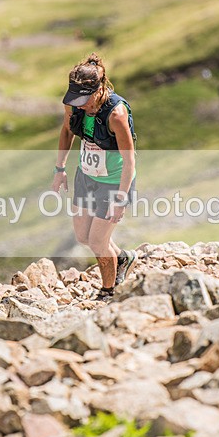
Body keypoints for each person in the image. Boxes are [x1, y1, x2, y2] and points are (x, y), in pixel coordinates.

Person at [52, 53, 138, 298]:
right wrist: (60, 169)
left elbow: (130, 159)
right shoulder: (74, 104)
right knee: (83, 237)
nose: (79, 105)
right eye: (75, 99)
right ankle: (122, 258)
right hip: (86, 177)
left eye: (84, 99)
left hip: (113, 182)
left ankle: (109, 291)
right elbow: (67, 131)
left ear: (99, 90)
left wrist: (121, 198)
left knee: (98, 241)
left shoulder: (116, 114)